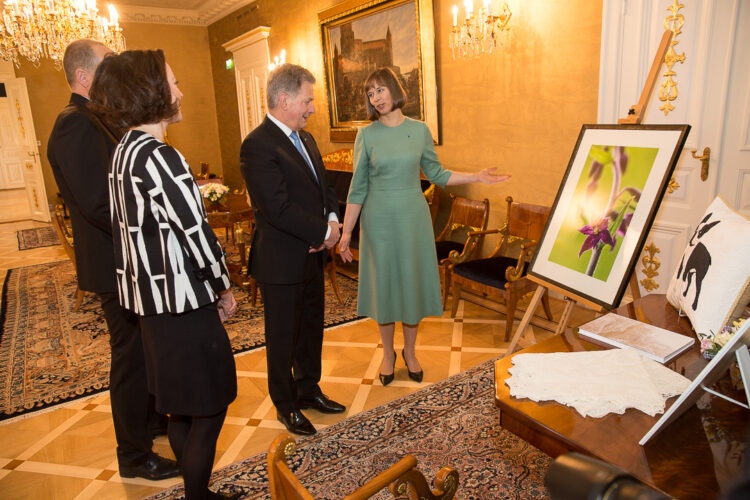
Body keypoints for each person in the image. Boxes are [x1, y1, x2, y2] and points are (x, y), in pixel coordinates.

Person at [89, 49, 240, 500]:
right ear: (150, 91)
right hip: (184, 306)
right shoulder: (160, 156)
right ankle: (198, 496)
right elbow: (195, 232)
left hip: (152, 310)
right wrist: (223, 286)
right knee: (210, 411)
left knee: (179, 411)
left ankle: (199, 493)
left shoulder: (122, 152)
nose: (180, 90)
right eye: (172, 82)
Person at [47, 39, 178, 481]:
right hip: (114, 263)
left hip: (125, 259)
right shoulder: (74, 124)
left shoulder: (97, 120)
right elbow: (100, 205)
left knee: (144, 353)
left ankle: (150, 425)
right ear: (84, 77)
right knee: (130, 359)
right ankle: (134, 456)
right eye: (107, 65)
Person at [338, 67, 510, 385]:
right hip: (379, 222)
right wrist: (347, 232)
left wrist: (475, 176)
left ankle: (411, 352)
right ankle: (389, 354)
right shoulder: (366, 135)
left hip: (413, 221)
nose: (375, 97)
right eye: (370, 93)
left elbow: (438, 175)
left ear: (394, 88)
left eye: (380, 89)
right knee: (387, 289)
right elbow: (357, 188)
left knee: (411, 287)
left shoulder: (419, 131)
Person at [240, 63, 345, 436]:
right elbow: (276, 207)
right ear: (284, 100)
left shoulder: (309, 139)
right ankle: (286, 405)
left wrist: (332, 219)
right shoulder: (257, 144)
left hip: (312, 256)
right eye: (307, 100)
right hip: (281, 260)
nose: (312, 108)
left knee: (311, 330)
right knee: (282, 337)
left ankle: (308, 389)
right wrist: (325, 232)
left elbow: (326, 188)